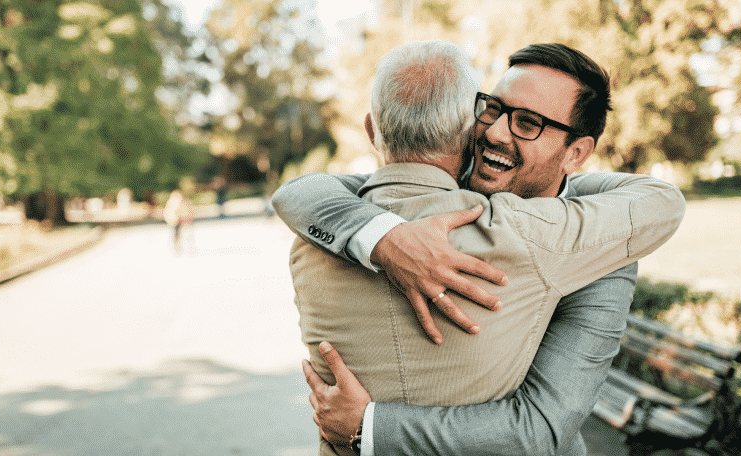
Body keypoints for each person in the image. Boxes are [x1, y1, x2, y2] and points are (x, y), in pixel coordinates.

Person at [276, 41, 685, 455]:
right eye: (492, 108)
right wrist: (383, 238)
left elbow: (541, 427)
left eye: (527, 123)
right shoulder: (397, 205)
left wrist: (370, 427)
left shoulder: (601, 249)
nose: (494, 131)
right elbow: (305, 192)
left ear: (575, 153)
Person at [163, 188, 194, 254]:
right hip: (175, 220)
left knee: (177, 234)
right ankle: (177, 246)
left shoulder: (173, 202)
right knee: (176, 234)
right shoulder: (176, 202)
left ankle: (178, 246)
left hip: (177, 220)